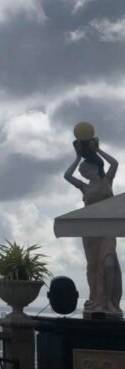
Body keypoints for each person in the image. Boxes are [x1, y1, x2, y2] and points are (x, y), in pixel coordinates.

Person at [64, 134, 122, 316]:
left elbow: (115, 164)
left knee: (109, 264)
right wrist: (78, 157)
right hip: (90, 233)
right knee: (93, 268)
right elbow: (67, 175)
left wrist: (98, 150)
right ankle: (97, 300)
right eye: (83, 171)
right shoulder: (84, 187)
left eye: (86, 169)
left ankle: (110, 303)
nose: (84, 172)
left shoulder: (107, 181)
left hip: (107, 230)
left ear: (94, 169)